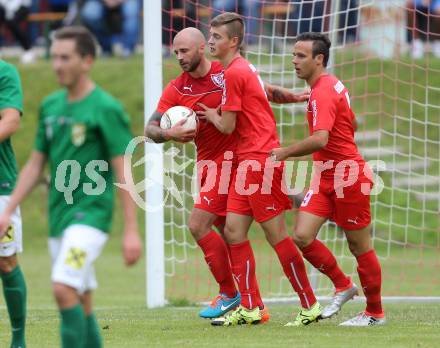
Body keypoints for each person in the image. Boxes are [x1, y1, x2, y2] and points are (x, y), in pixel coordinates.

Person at [145, 26, 307, 322]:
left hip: (237, 162)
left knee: (199, 225)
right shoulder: (177, 89)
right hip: (209, 166)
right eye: (176, 52)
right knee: (229, 233)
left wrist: (295, 98)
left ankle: (230, 293)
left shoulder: (224, 72)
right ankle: (252, 303)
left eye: (184, 51)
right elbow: (150, 128)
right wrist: (169, 132)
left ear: (201, 48)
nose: (179, 57)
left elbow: (262, 90)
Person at [0, 26, 142, 347]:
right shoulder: (51, 106)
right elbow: (36, 164)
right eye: (55, 57)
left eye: (66, 58)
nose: (57, 65)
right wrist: (8, 210)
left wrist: (131, 230)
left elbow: (124, 171)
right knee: (82, 300)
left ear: (87, 61)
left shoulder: (106, 108)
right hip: (59, 216)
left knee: (63, 288)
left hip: (91, 218)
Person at [200, 12, 321, 327]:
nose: (210, 41)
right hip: (246, 160)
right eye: (209, 35)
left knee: (276, 234)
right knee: (233, 231)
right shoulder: (241, 68)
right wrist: (293, 97)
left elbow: (226, 126)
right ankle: (251, 307)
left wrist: (209, 115)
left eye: (216, 37)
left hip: (259, 160)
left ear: (234, 41)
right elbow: (263, 92)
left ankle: (310, 304)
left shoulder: (233, 73)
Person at [270, 32, 385, 326]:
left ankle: (374, 313)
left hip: (348, 177)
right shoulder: (332, 84)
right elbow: (353, 121)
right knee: (302, 235)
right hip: (325, 178)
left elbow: (320, 139)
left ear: (318, 59)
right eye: (294, 55)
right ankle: (343, 285)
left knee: (359, 246)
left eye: (301, 56)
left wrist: (284, 153)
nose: (294, 61)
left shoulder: (322, 91)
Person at [0, 60, 27, 348]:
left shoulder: (4, 72)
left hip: (1, 185)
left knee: (6, 262)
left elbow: (11, 120)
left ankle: (18, 339)